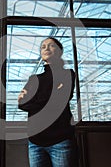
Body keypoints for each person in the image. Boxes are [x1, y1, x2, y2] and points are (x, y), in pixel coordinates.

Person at [18, 37, 78, 167]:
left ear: (59, 51)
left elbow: (60, 100)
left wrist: (33, 98)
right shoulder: (34, 79)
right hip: (35, 142)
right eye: (43, 47)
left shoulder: (68, 74)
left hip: (60, 141)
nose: (46, 48)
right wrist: (53, 93)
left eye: (51, 46)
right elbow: (22, 104)